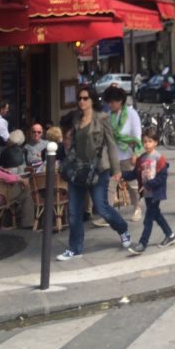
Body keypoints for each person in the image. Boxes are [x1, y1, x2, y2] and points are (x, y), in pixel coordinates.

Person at [56, 88, 129, 261]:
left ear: (92, 100)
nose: (81, 101)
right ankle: (75, 248)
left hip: (97, 169)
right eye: (79, 98)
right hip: (77, 169)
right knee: (74, 212)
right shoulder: (76, 118)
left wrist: (116, 170)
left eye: (85, 98)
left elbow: (111, 144)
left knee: (102, 208)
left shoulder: (102, 118)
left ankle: (123, 229)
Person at [125, 126, 175, 255]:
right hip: (147, 193)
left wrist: (149, 184)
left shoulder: (159, 158)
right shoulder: (141, 158)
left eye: (150, 141)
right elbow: (135, 174)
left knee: (148, 219)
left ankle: (143, 243)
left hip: (155, 193)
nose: (147, 144)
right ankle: (170, 235)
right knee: (156, 215)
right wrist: (121, 175)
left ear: (156, 142)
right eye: (145, 141)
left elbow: (162, 178)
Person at [102, 85, 143, 224]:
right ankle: (107, 213)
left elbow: (137, 134)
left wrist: (136, 153)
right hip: (113, 155)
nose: (110, 105)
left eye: (112, 102)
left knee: (132, 185)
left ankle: (137, 208)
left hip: (128, 153)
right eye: (108, 102)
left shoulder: (131, 113)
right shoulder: (109, 115)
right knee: (110, 185)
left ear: (120, 101)